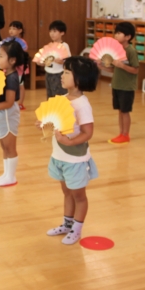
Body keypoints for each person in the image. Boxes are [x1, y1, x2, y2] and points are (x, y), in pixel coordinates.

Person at [41, 56, 100, 245]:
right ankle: (67, 224)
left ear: (80, 79)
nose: (62, 75)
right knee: (67, 193)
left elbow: (88, 133)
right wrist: (44, 123)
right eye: (63, 71)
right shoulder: (62, 99)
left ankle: (77, 230)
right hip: (59, 156)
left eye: (67, 72)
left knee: (79, 196)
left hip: (75, 159)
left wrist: (69, 141)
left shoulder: (82, 104)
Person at [0, 41, 27, 187]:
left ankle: (11, 176)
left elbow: (9, 102)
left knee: (10, 147)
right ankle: (6, 174)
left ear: (12, 60)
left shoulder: (12, 78)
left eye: (1, 56)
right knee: (4, 147)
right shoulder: (4, 74)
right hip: (0, 114)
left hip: (7, 115)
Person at [99, 22, 139, 144]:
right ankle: (121, 133)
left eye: (119, 33)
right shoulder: (116, 51)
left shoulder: (131, 51)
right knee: (120, 111)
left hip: (126, 87)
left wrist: (122, 65)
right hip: (116, 85)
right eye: (115, 33)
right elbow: (114, 69)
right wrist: (102, 66)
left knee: (125, 111)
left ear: (128, 37)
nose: (116, 35)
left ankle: (125, 135)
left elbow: (135, 70)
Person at [0, 21, 29, 109]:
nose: (11, 30)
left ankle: (20, 103)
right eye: (10, 28)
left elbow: (22, 54)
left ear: (20, 30)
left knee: (20, 85)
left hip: (19, 68)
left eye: (14, 29)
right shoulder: (7, 41)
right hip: (9, 67)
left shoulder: (22, 42)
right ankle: (10, 100)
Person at [37, 20, 72, 98]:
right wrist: (41, 62)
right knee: (50, 96)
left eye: (55, 31)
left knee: (60, 96)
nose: (52, 33)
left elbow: (68, 61)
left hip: (59, 74)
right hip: (48, 74)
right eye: (50, 31)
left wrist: (62, 62)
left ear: (62, 33)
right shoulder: (49, 46)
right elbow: (45, 60)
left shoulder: (64, 45)